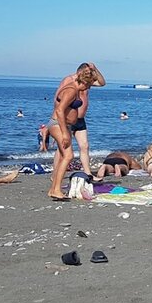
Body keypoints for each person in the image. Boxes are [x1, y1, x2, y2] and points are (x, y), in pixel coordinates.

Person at [47, 63, 106, 200]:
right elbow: (59, 110)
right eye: (89, 85)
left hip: (66, 125)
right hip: (58, 124)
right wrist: (65, 132)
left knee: (64, 156)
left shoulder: (76, 88)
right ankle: (55, 189)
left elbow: (102, 82)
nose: (89, 88)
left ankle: (53, 189)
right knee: (68, 156)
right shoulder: (71, 89)